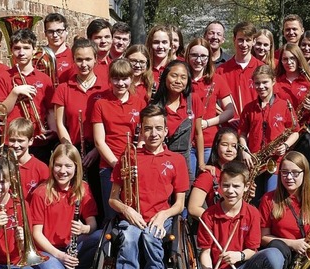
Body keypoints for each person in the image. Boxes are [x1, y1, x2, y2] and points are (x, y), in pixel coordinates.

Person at [106, 105, 189, 269]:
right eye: (148, 128)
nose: (154, 134)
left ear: (166, 130)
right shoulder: (129, 155)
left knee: (152, 238)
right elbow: (112, 199)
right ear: (141, 130)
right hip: (133, 217)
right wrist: (127, 210)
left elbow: (180, 204)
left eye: (158, 128)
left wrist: (163, 215)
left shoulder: (176, 160)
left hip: (160, 219)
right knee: (130, 239)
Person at [198, 161, 284, 269]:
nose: (231, 191)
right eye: (226, 185)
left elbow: (253, 249)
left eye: (236, 186)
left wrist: (240, 256)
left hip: (245, 266)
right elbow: (205, 252)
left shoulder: (252, 212)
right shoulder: (209, 215)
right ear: (220, 187)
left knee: (275, 255)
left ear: (246, 187)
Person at [30, 143, 101, 269]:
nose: (63, 171)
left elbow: (93, 225)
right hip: (47, 250)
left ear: (76, 167)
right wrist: (60, 256)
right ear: (52, 165)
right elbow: (36, 234)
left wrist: (84, 228)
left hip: (69, 247)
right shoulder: (41, 193)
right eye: (58, 165)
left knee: (100, 237)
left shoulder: (82, 188)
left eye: (68, 166)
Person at [52, 38, 106, 224]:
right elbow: (60, 124)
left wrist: (97, 150)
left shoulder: (105, 87)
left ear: (95, 60)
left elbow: (110, 125)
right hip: (73, 149)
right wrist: (70, 152)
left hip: (100, 151)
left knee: (98, 198)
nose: (84, 64)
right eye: (79, 59)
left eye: (88, 59)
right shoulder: (63, 88)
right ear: (73, 60)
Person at [92, 58, 146, 224]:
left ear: (131, 78)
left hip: (133, 165)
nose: (120, 83)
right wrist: (117, 165)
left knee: (134, 212)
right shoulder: (100, 104)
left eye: (125, 79)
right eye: (116, 79)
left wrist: (133, 162)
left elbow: (143, 136)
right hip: (110, 165)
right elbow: (99, 141)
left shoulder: (140, 102)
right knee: (111, 215)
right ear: (110, 79)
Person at [238, 65, 299, 202]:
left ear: (273, 81)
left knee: (271, 199)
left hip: (275, 162)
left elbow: (295, 132)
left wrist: (286, 145)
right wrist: (244, 151)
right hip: (253, 161)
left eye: (265, 82)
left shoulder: (284, 105)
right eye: (257, 83)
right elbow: (241, 133)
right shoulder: (249, 108)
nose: (261, 86)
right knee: (252, 199)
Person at [0, 29, 55, 164]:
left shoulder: (44, 79)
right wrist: (15, 92)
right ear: (11, 50)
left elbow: (50, 109)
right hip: (11, 141)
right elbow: (0, 113)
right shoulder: (4, 77)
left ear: (34, 50)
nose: (21, 53)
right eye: (17, 48)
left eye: (26, 48)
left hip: (38, 140)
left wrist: (52, 129)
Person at [275, 43, 310, 191]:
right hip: (282, 134)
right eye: (285, 59)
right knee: (283, 172)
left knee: (306, 170)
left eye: (293, 58)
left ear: (299, 60)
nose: (289, 62)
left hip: (303, 132)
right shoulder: (276, 81)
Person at [185, 38, 236, 175]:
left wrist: (207, 123)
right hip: (186, 142)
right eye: (194, 55)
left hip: (208, 141)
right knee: (187, 185)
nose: (198, 60)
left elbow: (231, 110)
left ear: (209, 58)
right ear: (188, 55)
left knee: (206, 180)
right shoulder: (182, 79)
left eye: (203, 56)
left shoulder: (216, 79)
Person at [151, 60, 204, 183]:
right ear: (165, 77)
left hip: (186, 158)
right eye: (174, 76)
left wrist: (201, 164)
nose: (178, 81)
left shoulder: (193, 100)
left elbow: (198, 133)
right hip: (162, 160)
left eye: (183, 77)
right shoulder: (155, 106)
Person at [188, 128, 241, 219]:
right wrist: (217, 219)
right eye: (224, 145)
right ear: (216, 146)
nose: (229, 149)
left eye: (234, 146)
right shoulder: (208, 175)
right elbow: (193, 208)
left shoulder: (241, 174)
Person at [216, 21, 262, 125]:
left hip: (255, 126)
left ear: (254, 41)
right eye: (240, 40)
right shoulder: (221, 71)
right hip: (229, 129)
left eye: (248, 40)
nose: (244, 44)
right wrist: (227, 116)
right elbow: (212, 101)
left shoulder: (262, 69)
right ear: (234, 40)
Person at [6, 118, 50, 202]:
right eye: (12, 140)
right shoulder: (4, 165)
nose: (15, 145)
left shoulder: (41, 168)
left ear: (30, 141)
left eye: (20, 141)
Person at [43, 13, 73, 84]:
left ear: (66, 31)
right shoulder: (39, 57)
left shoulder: (74, 56)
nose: (55, 35)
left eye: (59, 31)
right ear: (45, 33)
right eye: (50, 32)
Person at [86, 19, 113, 86]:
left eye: (107, 37)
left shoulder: (114, 65)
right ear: (89, 39)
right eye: (98, 38)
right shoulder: (84, 66)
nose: (103, 41)